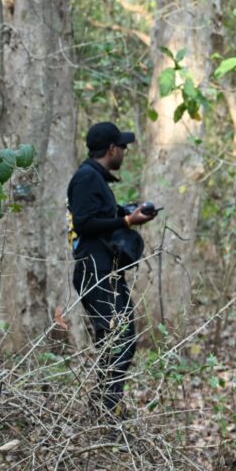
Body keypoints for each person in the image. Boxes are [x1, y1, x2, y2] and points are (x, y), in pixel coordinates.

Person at [67, 121, 154, 414]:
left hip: (107, 273)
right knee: (119, 340)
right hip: (95, 274)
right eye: (123, 147)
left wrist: (126, 212)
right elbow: (83, 223)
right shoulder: (86, 178)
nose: (125, 152)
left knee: (119, 338)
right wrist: (127, 221)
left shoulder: (96, 178)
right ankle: (106, 410)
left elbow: (96, 217)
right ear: (112, 149)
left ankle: (106, 406)